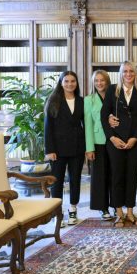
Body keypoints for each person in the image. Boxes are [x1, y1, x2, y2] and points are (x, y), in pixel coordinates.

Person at [101, 61, 137, 227]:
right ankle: (119, 212)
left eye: (131, 71)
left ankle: (130, 211)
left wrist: (135, 138)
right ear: (120, 74)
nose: (128, 74)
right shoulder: (112, 90)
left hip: (135, 142)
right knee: (117, 176)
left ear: (135, 74)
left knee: (132, 176)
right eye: (125, 71)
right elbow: (104, 115)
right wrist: (112, 137)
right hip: (116, 141)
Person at [44, 70, 85, 227]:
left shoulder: (82, 101)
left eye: (72, 81)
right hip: (58, 150)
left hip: (77, 148)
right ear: (61, 83)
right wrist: (50, 150)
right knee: (57, 181)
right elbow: (48, 127)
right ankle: (57, 214)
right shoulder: (54, 100)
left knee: (75, 180)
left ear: (76, 83)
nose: (70, 84)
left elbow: (86, 124)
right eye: (66, 81)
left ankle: (73, 210)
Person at [84, 69, 114, 220]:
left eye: (102, 80)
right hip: (98, 142)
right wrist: (89, 148)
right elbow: (88, 125)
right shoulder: (89, 100)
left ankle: (116, 205)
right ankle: (103, 208)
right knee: (100, 176)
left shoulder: (115, 96)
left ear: (107, 81)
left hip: (114, 140)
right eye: (96, 81)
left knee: (115, 175)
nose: (99, 83)